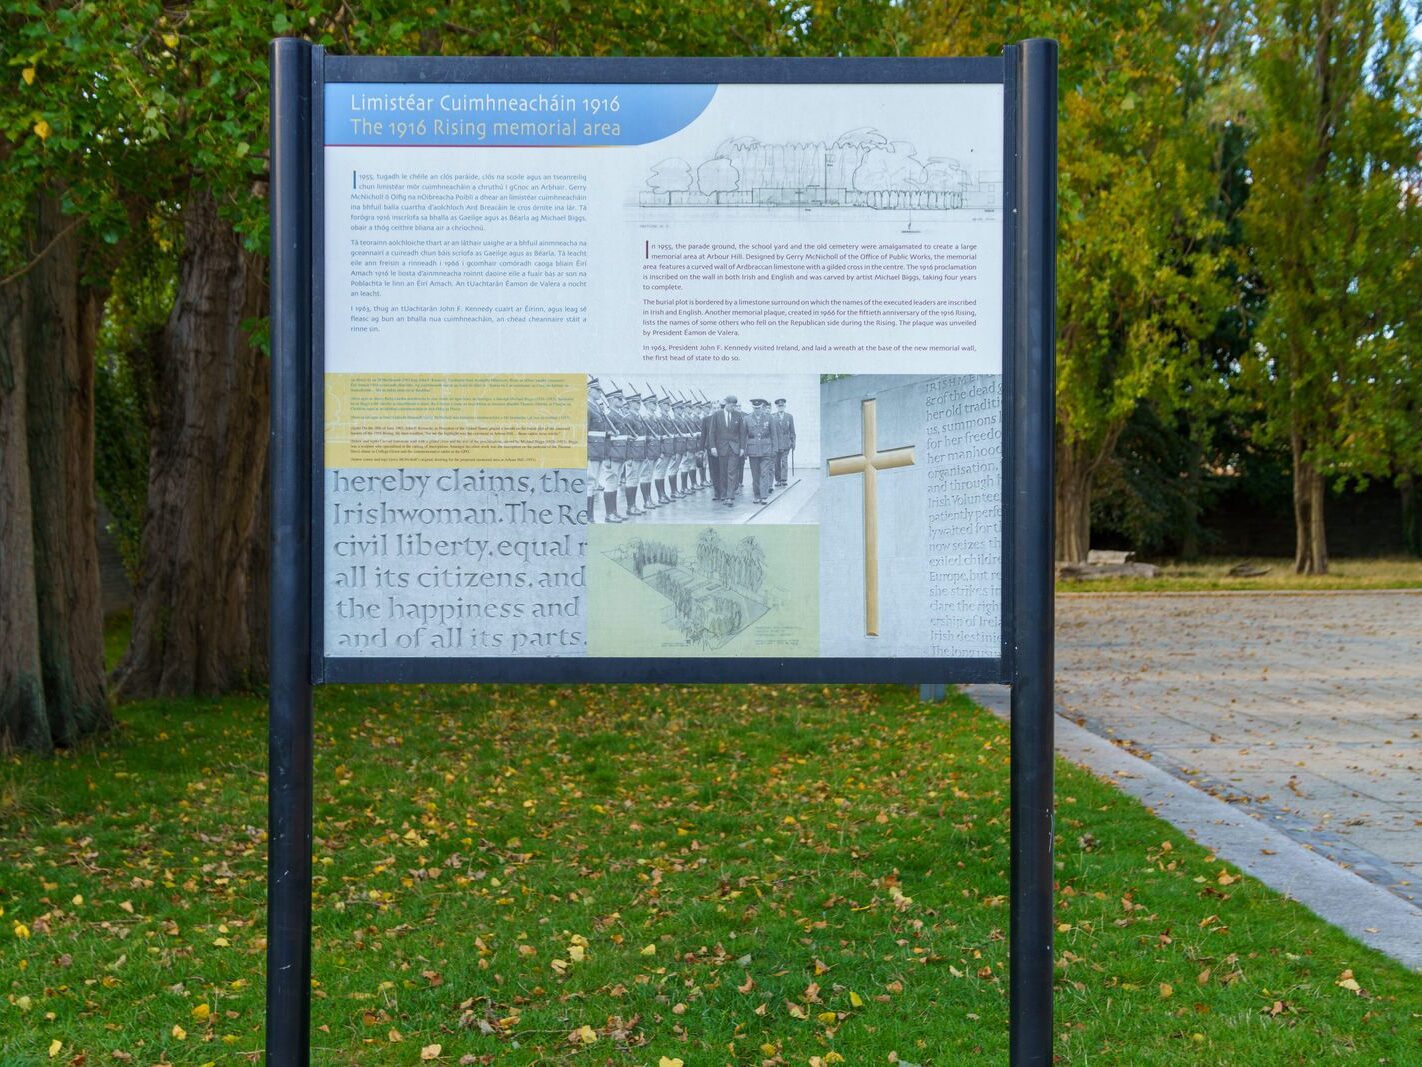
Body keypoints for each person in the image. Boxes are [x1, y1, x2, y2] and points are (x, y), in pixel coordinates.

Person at [586, 376, 618, 522]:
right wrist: (605, 434)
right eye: (597, 390)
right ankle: (588, 517)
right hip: (591, 450)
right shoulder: (586, 407)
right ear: (589, 390)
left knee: (596, 483)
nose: (600, 392)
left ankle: (595, 516)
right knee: (590, 482)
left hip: (600, 450)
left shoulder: (597, 407)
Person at [707, 394, 746, 507]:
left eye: (734, 406)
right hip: (721, 448)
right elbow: (712, 432)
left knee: (732, 472)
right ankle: (723, 495)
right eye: (731, 405)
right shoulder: (717, 415)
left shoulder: (738, 415)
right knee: (723, 472)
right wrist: (713, 447)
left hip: (734, 448)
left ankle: (730, 496)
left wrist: (742, 448)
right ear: (726, 404)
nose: (733, 408)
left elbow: (742, 433)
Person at [745, 398, 775, 504]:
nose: (757, 410)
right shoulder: (747, 418)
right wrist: (744, 451)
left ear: (762, 407)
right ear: (753, 408)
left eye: (759, 408)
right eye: (755, 408)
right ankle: (756, 495)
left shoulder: (769, 418)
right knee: (755, 474)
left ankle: (763, 496)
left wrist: (774, 449)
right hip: (753, 450)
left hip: (766, 449)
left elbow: (773, 434)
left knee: (764, 473)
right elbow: (745, 436)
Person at [771, 397, 796, 487]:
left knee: (784, 461)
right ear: (777, 407)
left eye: (782, 406)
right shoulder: (773, 416)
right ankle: (778, 480)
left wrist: (793, 442)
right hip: (777, 443)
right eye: (779, 406)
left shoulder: (789, 417)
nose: (780, 407)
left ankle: (784, 479)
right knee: (777, 462)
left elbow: (792, 431)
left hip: (786, 443)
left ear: (784, 406)